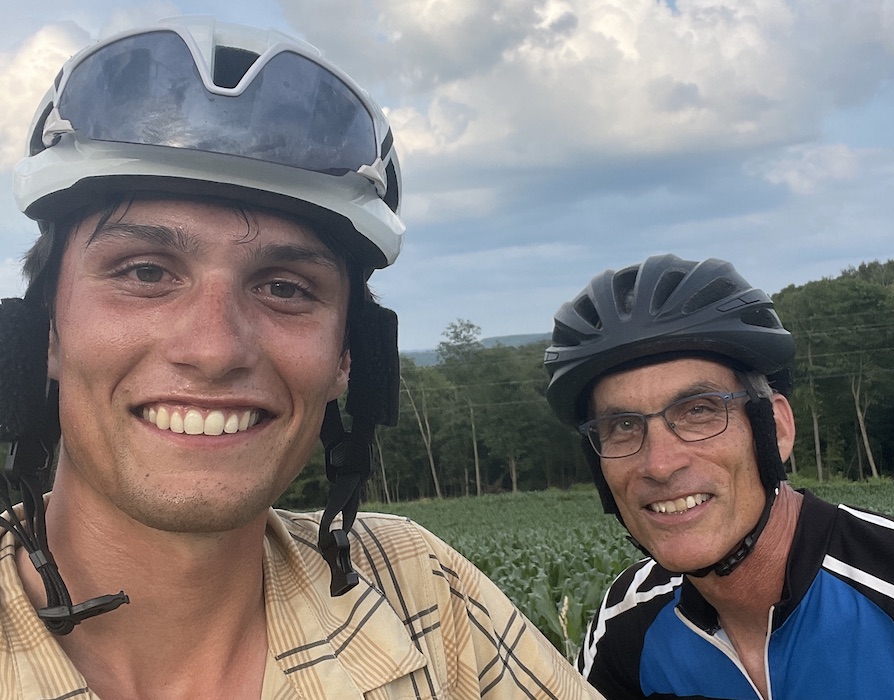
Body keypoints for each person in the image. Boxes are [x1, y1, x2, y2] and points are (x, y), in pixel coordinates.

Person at [0, 17, 602, 699]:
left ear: (352, 359)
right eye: (144, 273)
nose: (215, 348)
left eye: (285, 288)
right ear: (42, 334)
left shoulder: (423, 594)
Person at [543, 254, 894, 699]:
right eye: (623, 426)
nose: (659, 464)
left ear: (776, 429)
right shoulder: (627, 623)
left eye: (699, 411)